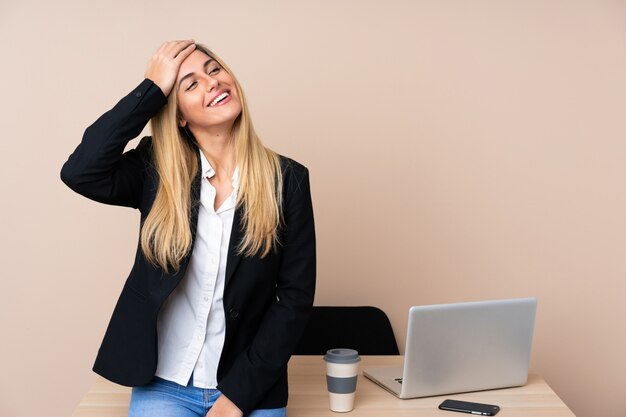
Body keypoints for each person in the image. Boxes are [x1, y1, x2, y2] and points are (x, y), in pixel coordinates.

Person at [60, 39, 316, 417]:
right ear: (179, 115)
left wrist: (237, 398)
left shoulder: (288, 179)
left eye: (214, 70)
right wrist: (151, 90)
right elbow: (81, 171)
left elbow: (293, 299)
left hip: (249, 386)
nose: (212, 83)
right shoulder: (156, 171)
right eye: (190, 84)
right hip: (165, 384)